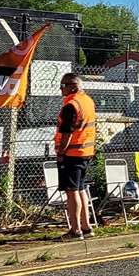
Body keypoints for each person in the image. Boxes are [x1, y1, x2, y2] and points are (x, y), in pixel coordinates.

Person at [56, 73, 98, 238]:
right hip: (85, 152)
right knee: (80, 189)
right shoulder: (87, 101)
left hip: (72, 153)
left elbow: (67, 133)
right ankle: (86, 227)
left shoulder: (71, 105)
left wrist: (61, 152)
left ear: (72, 86)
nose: (61, 89)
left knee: (71, 190)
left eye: (63, 85)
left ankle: (75, 230)